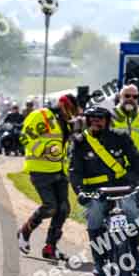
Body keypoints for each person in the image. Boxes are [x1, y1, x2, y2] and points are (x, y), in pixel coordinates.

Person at [69, 106, 139, 276]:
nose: (96, 121)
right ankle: (99, 263)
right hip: (95, 191)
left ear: (108, 120)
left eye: (100, 118)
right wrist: (80, 192)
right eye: (92, 118)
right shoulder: (80, 142)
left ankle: (138, 258)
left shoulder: (120, 137)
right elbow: (74, 171)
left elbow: (137, 160)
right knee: (94, 215)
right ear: (86, 121)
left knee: (132, 212)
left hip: (121, 188)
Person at [17, 93, 81, 260]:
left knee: (63, 209)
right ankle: (24, 231)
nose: (72, 113)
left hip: (59, 170)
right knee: (50, 207)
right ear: (63, 105)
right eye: (71, 109)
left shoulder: (65, 122)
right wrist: (44, 149)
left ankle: (50, 247)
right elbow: (24, 137)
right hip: (40, 169)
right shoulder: (42, 115)